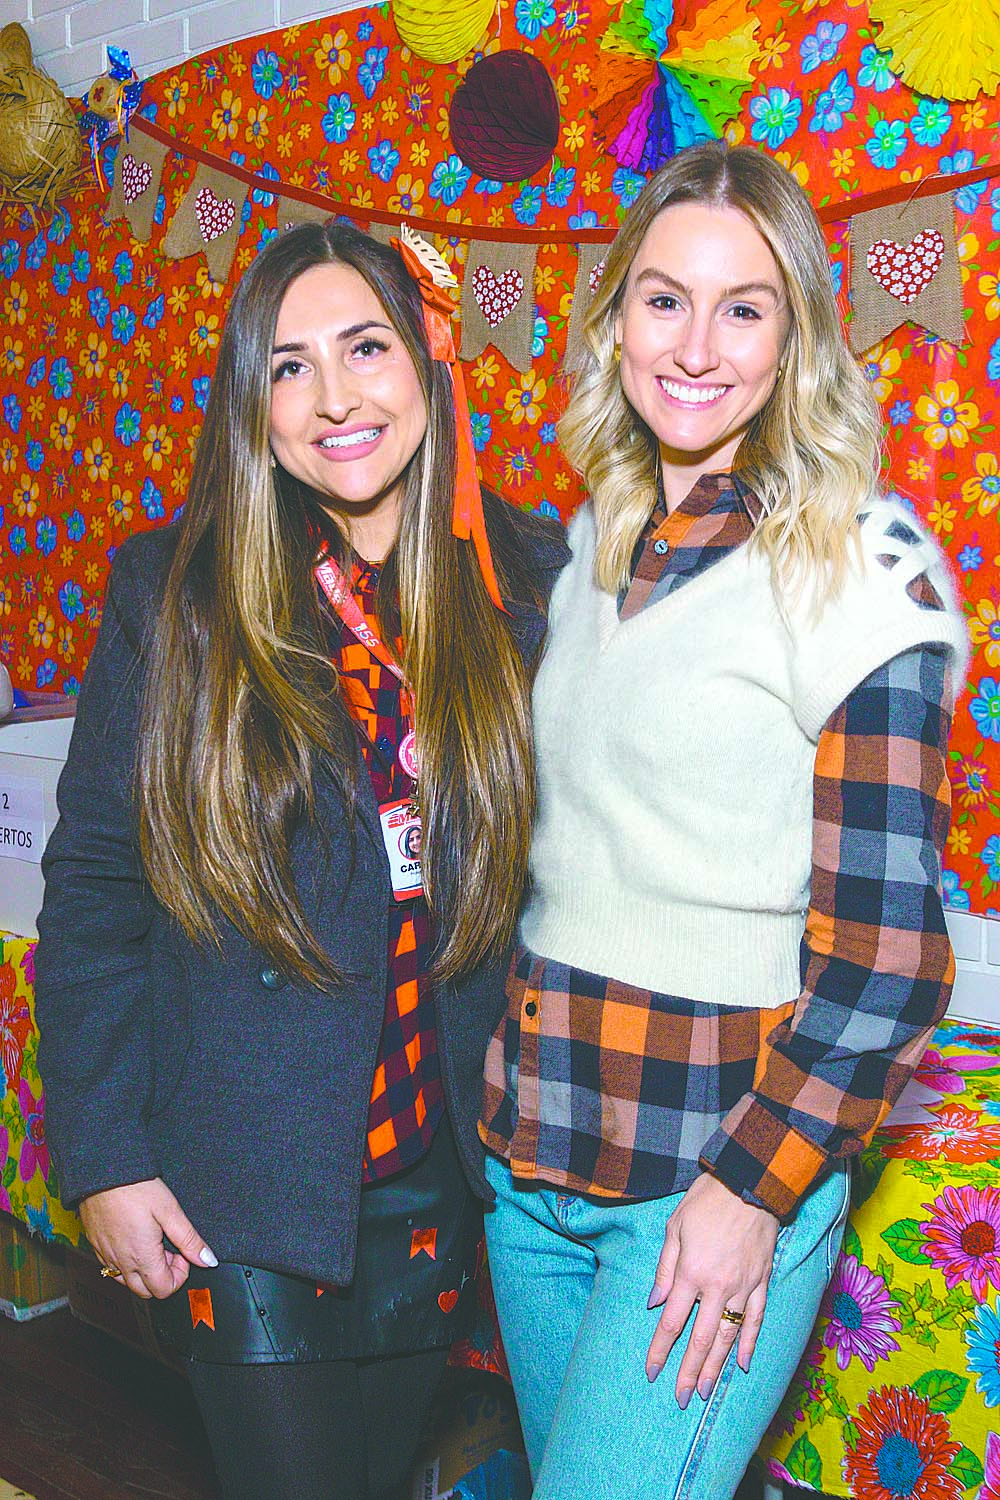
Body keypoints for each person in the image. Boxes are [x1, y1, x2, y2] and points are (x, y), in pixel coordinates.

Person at [34, 220, 567, 1500]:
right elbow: (95, 892)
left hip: (437, 1161)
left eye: (365, 347)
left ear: (427, 361)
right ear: (253, 407)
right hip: (242, 1179)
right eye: (288, 366)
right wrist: (103, 1157)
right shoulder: (176, 593)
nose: (335, 397)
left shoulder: (529, 582)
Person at [480, 141, 969, 1500]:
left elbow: (889, 959)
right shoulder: (595, 544)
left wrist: (750, 1192)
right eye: (664, 299)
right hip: (533, 1171)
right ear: (614, 320)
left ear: (795, 335)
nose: (696, 347)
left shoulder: (858, 568)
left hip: (704, 1178)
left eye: (743, 307)